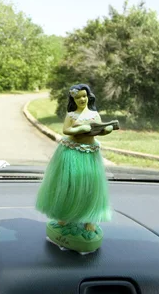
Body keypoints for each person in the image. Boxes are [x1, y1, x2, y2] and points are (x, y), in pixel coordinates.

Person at [35, 83, 113, 232]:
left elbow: (98, 129)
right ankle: (64, 215)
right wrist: (79, 128)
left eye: (84, 96)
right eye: (78, 97)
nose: (82, 99)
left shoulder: (94, 114)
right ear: (73, 99)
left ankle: (90, 218)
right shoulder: (71, 115)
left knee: (91, 186)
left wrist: (106, 130)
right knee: (69, 186)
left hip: (90, 153)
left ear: (88, 96)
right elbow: (66, 130)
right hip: (72, 152)